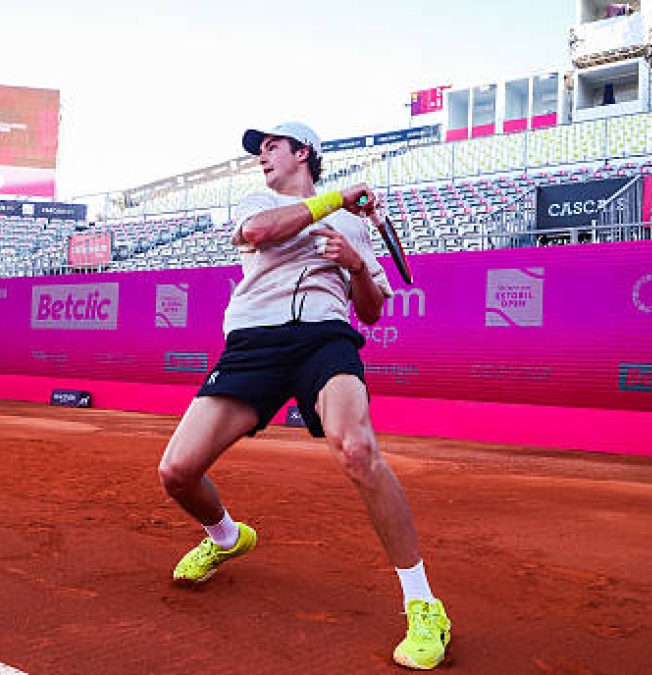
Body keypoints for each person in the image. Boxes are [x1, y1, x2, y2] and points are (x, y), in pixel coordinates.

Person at [157, 121, 451, 670]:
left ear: (303, 152)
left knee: (357, 448)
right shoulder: (257, 200)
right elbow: (260, 234)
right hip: (252, 343)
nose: (262, 157)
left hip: (324, 338)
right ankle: (225, 537)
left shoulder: (354, 225)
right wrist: (338, 198)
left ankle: (424, 604)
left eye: (271, 147)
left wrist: (357, 264)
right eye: (259, 151)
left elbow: (370, 309)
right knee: (176, 471)